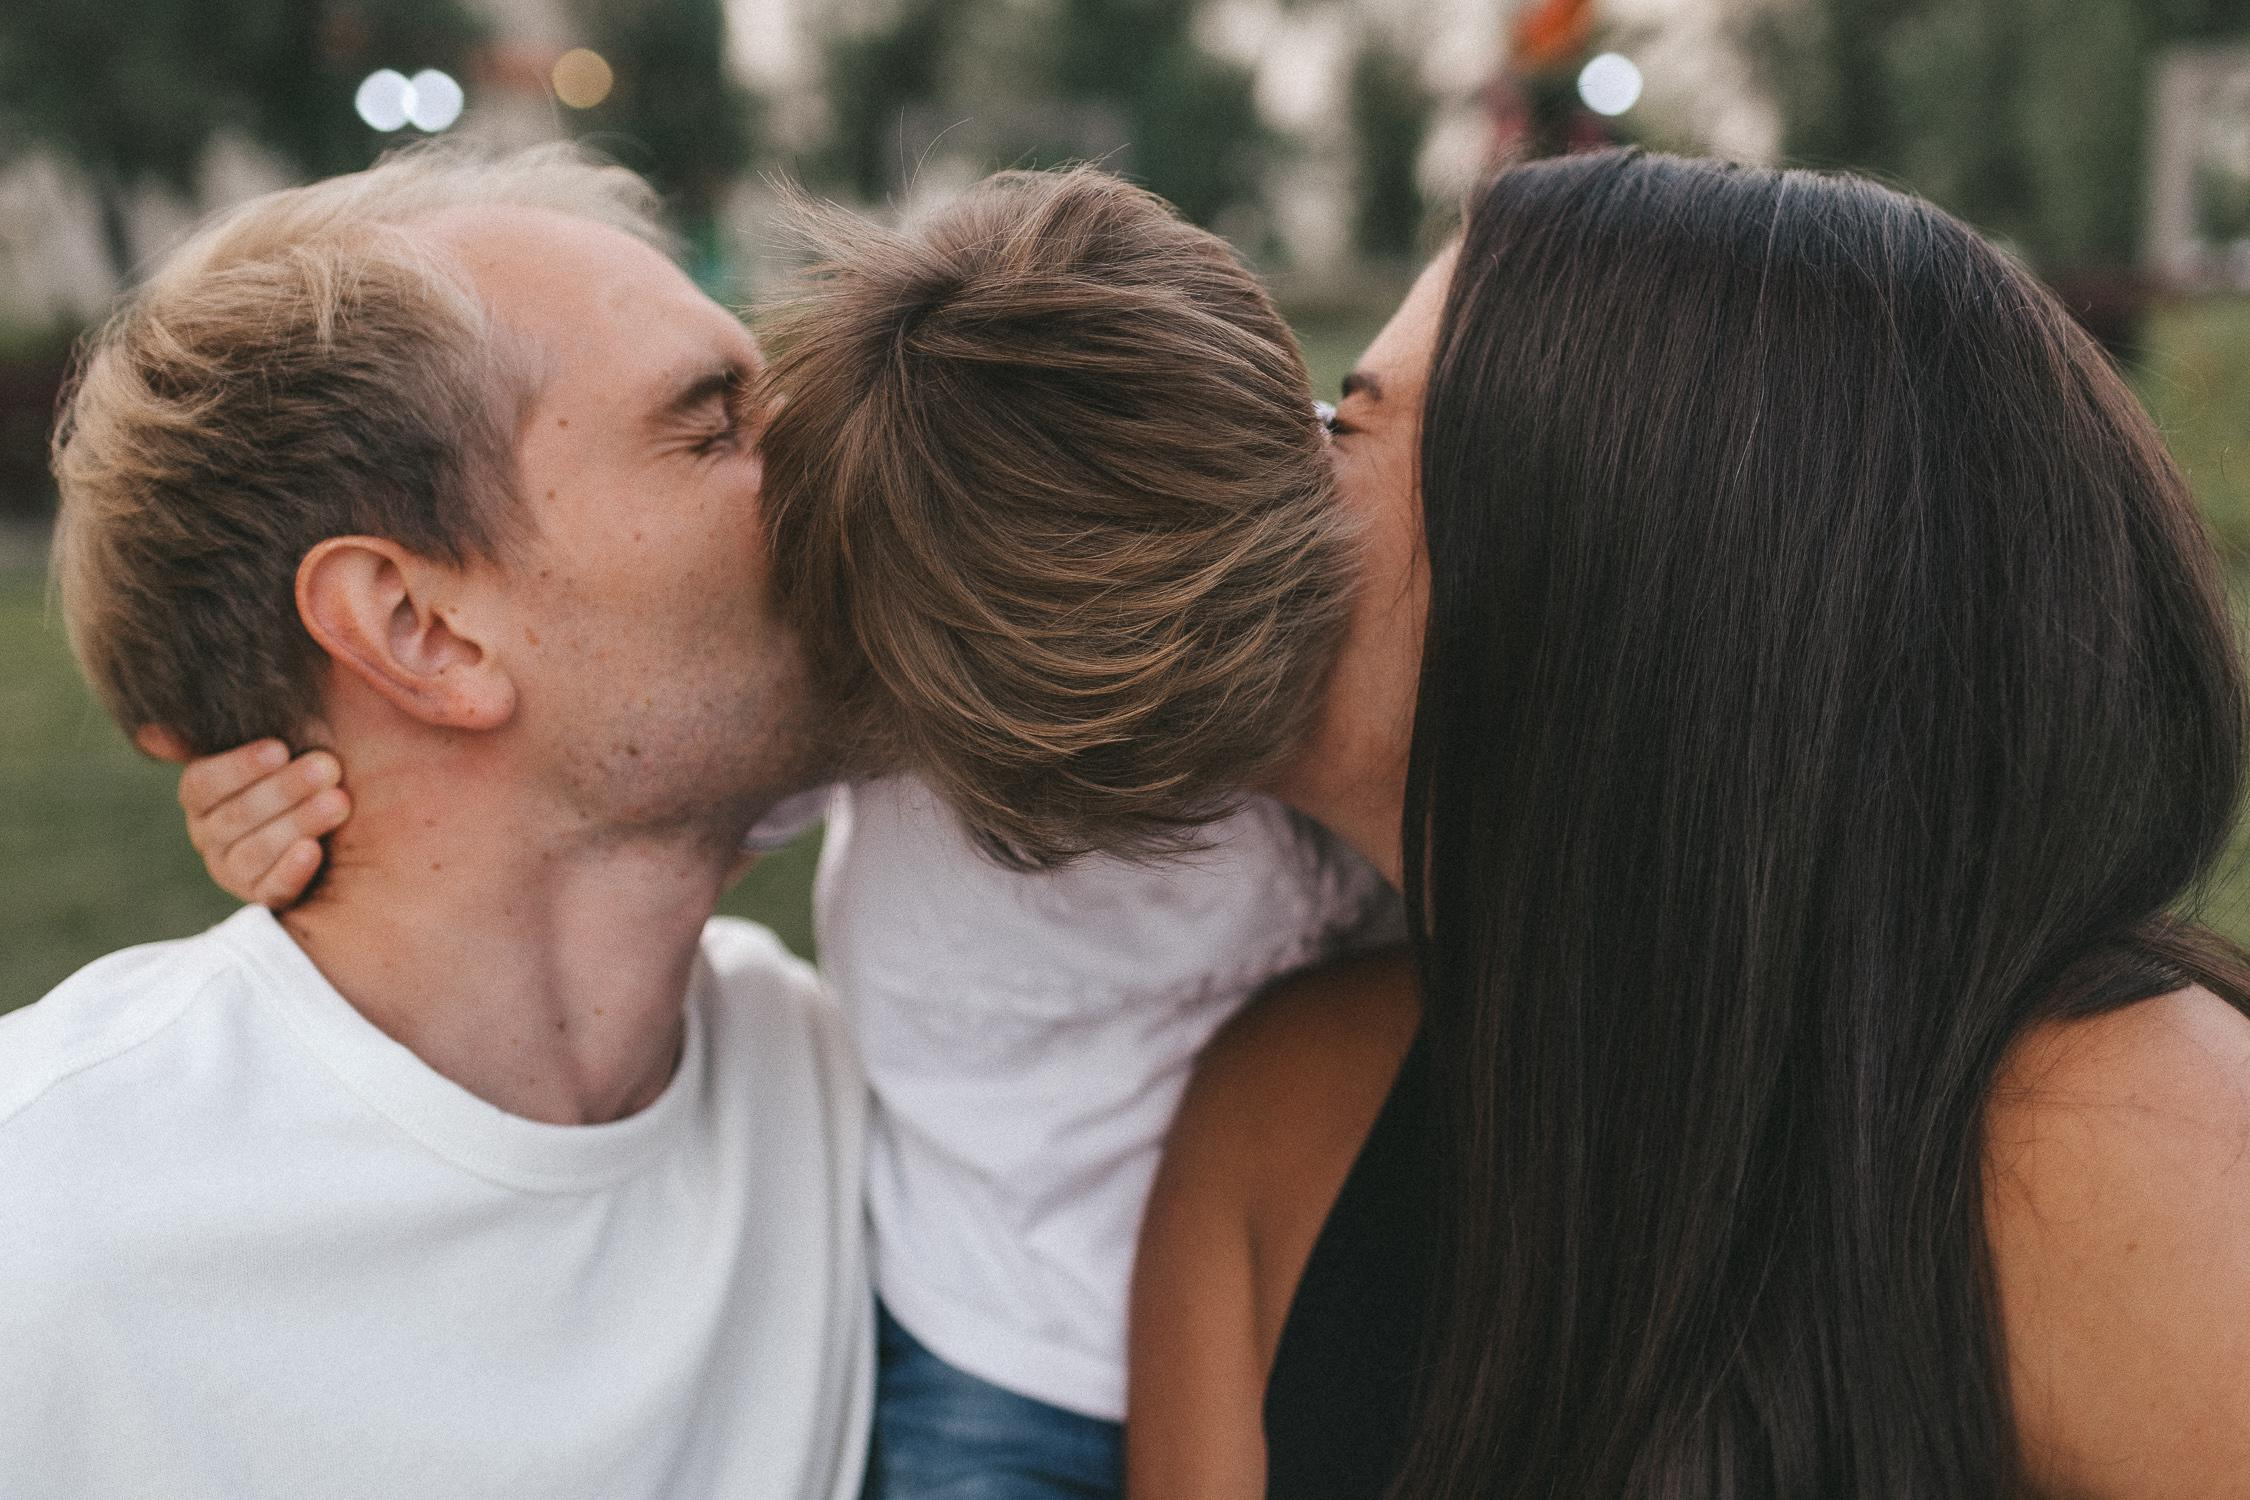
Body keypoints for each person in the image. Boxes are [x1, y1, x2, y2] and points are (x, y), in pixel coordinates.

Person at [160, 166, 1401, 1499]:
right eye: (711, 432)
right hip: (995, 1361)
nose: (779, 482)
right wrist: (315, 797)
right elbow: (599, 800)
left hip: (1305, 1281)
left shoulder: (1299, 598)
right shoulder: (904, 684)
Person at [1133, 149, 2250, 1498]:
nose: (1262, 485)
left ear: (1619, 553)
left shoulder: (2127, 1145)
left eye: (1346, 427)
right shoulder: (1282, 1107)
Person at [3, 146, 870, 1499]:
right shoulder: (40, 1219)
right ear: (420, 630)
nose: (837, 456)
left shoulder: (833, 1080)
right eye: (714, 424)